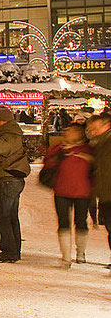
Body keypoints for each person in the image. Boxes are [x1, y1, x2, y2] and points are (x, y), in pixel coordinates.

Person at [0, 107, 31, 263]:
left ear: (2, 121)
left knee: (3, 216)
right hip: (9, 179)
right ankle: (13, 250)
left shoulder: (9, 135)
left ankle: (9, 251)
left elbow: (0, 148)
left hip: (8, 179)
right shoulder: (10, 133)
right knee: (10, 216)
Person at [44, 123, 94, 267]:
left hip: (83, 192)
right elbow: (47, 164)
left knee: (81, 221)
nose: (68, 134)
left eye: (72, 131)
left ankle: (80, 253)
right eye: (67, 131)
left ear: (80, 134)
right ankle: (66, 256)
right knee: (63, 223)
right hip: (61, 191)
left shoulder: (88, 150)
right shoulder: (58, 149)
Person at [85, 113, 111, 259]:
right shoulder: (97, 144)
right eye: (90, 129)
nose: (92, 132)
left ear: (105, 126)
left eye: (95, 129)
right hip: (105, 192)